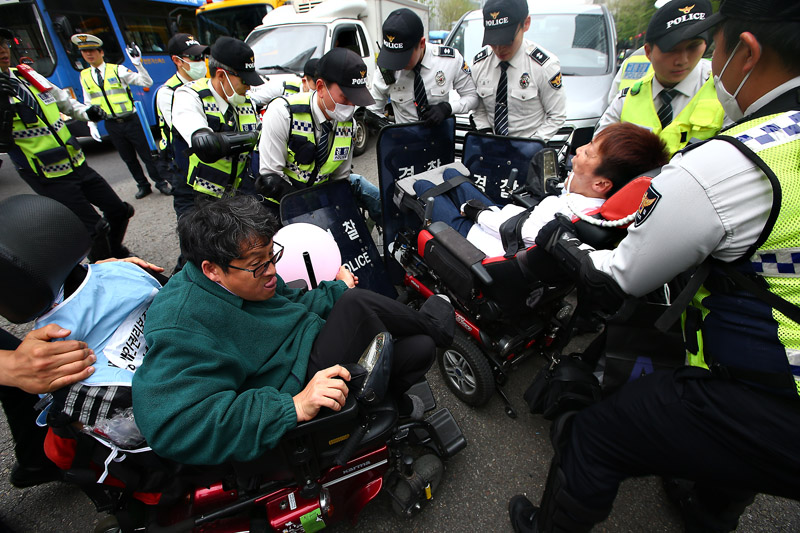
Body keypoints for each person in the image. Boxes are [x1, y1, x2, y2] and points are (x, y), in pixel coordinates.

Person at [510, 2, 800, 532]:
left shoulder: (738, 159)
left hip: (774, 391)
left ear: (748, 52)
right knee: (730, 462)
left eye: (711, 47)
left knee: (594, 436)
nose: (702, 58)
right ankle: (705, 512)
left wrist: (558, 239)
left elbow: (617, 278)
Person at [132, 195, 454, 465]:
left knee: (420, 347)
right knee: (357, 307)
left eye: (272, 256)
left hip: (305, 348)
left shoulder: (250, 277)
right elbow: (171, 425)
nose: (272, 270)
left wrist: (335, 290)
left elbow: (292, 302)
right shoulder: (183, 319)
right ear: (212, 270)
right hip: (290, 386)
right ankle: (437, 325)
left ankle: (389, 404)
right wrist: (292, 406)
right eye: (259, 263)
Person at [414, 123, 669, 257]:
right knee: (452, 176)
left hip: (483, 241)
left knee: (422, 187)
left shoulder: (566, 218)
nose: (578, 151)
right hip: (504, 220)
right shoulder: (593, 209)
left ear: (601, 184)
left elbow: (517, 233)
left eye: (588, 153)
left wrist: (476, 213)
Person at [0, 28, 133, 260]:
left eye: (3, 44)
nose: (2, 50)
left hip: (77, 162)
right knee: (95, 228)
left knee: (119, 211)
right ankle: (103, 271)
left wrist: (88, 112)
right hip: (47, 173)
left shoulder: (26, 74)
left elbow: (63, 102)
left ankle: (114, 254)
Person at [256, 48, 382, 223]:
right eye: (345, 98)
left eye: (356, 99)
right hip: (278, 204)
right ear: (321, 87)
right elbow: (271, 178)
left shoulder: (348, 126)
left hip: (318, 200)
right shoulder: (284, 113)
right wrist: (306, 211)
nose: (351, 105)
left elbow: (340, 180)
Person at [595, 0, 724, 155]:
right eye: (671, 50)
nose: (682, 60)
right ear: (648, 52)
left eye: (693, 46)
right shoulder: (626, 99)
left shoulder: (726, 91)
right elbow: (597, 154)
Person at [71, 33, 173, 199]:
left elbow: (146, 82)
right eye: (85, 52)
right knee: (128, 158)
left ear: (101, 52)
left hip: (130, 120)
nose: (89, 54)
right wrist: (92, 124)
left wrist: (138, 65)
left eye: (92, 50)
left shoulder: (117, 69)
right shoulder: (84, 76)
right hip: (112, 124)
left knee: (146, 155)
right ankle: (142, 185)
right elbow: (89, 101)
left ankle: (160, 183)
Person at [171, 36, 261, 200]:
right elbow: (205, 144)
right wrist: (254, 137)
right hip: (195, 195)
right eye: (244, 80)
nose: (249, 87)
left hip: (235, 192)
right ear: (221, 75)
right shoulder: (189, 96)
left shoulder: (245, 101)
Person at [469, 0, 566, 140]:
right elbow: (479, 109)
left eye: (506, 41)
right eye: (493, 42)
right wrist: (487, 135)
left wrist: (531, 147)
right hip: (491, 147)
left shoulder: (544, 66)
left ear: (526, 24)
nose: (498, 49)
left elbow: (556, 115)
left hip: (530, 148)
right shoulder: (480, 64)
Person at [369, 8, 478, 126]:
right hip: (404, 140)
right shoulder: (387, 67)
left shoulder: (449, 60)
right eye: (393, 56)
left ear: (421, 43)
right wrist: (387, 128)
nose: (398, 64)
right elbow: (373, 109)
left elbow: (472, 97)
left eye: (404, 57)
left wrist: (448, 108)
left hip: (439, 138)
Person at [155, 33, 209, 219]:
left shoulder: (206, 85)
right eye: (193, 57)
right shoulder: (168, 92)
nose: (200, 61)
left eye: (202, 56)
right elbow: (182, 132)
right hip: (184, 163)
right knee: (191, 223)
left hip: (207, 163)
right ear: (177, 60)